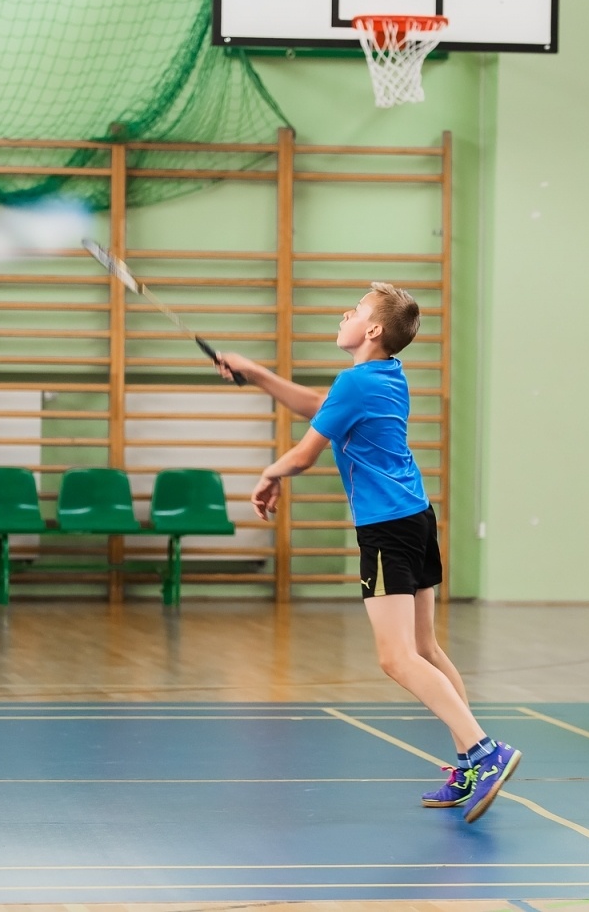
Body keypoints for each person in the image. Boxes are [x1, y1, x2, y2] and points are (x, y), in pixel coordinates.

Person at [216, 283, 521, 824]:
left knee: (395, 657)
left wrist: (270, 472)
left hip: (385, 527)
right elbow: (320, 408)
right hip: (415, 516)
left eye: (354, 310)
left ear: (373, 329)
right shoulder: (384, 376)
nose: (345, 314)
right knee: (424, 648)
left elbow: (305, 454)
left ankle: (483, 751)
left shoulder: (356, 382)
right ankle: (470, 763)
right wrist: (258, 374)